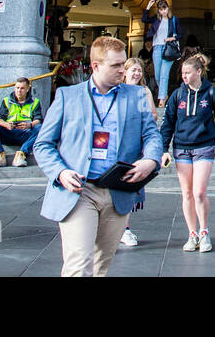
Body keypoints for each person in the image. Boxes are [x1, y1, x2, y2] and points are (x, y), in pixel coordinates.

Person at [33, 36, 162, 277]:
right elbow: (43, 144)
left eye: (123, 64)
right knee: (79, 266)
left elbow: (152, 136)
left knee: (100, 266)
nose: (122, 70)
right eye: (115, 66)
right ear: (95, 66)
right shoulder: (66, 96)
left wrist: (150, 160)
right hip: (79, 190)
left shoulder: (136, 96)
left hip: (119, 190)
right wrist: (60, 172)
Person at [160, 53, 215, 253]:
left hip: (204, 146)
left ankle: (204, 230)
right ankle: (192, 233)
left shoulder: (212, 93)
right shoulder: (177, 95)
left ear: (198, 72)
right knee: (187, 193)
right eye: (182, 72)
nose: (183, 76)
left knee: (199, 191)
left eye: (188, 72)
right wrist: (163, 148)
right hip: (181, 147)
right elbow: (168, 123)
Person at [119, 58, 159, 247]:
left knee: (129, 186)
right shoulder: (117, 90)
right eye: (133, 70)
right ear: (125, 71)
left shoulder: (144, 92)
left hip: (136, 144)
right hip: (118, 143)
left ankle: (124, 228)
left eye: (139, 70)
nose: (136, 74)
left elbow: (153, 114)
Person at [0, 76, 44, 168]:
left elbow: (38, 119)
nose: (19, 90)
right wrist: (6, 124)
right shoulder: (7, 101)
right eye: (17, 88)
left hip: (25, 134)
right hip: (8, 132)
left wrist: (29, 125)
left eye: (22, 88)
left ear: (28, 89)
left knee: (40, 128)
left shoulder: (35, 102)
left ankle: (21, 155)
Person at [142, 0, 182, 107]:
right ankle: (164, 94)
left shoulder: (173, 19)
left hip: (168, 48)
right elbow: (144, 19)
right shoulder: (156, 19)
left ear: (168, 8)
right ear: (158, 10)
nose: (163, 11)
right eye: (161, 9)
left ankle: (161, 100)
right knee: (158, 75)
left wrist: (171, 39)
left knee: (164, 75)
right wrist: (148, 7)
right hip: (157, 48)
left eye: (165, 9)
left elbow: (180, 34)